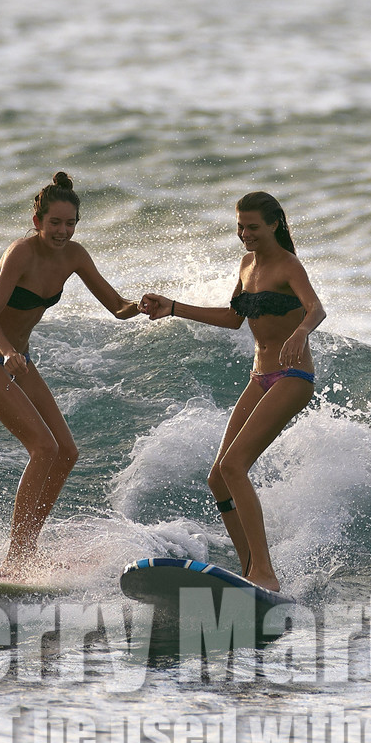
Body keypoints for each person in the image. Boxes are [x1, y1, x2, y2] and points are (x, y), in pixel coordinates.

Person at [140, 192, 325, 592]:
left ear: (274, 224)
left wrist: (300, 331)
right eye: (240, 226)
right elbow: (232, 319)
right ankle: (249, 570)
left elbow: (316, 308)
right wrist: (172, 307)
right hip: (259, 378)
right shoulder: (246, 266)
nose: (244, 234)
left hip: (293, 377)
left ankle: (266, 573)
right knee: (218, 478)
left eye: (253, 227)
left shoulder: (289, 266)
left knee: (234, 465)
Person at [0, 172, 140, 576]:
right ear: (38, 220)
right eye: (55, 223)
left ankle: (28, 548)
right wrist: (8, 352)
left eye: (70, 223)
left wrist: (145, 305)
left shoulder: (75, 255)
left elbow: (116, 306)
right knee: (43, 448)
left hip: (19, 362)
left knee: (67, 452)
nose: (63, 231)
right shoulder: (20, 255)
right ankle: (15, 559)